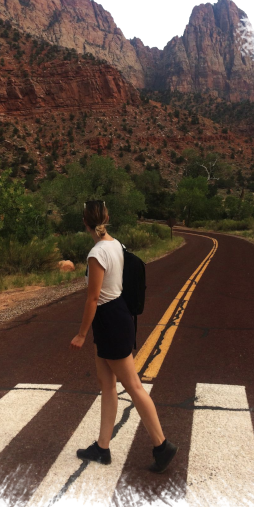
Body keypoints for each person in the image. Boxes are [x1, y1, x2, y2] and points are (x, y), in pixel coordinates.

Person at [70, 200, 177, 473]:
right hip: (116, 317)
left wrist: (81, 334)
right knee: (107, 384)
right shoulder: (115, 245)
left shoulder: (96, 253)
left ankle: (162, 445)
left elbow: (93, 298)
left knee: (133, 385)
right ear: (106, 217)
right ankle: (102, 447)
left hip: (110, 320)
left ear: (85, 223)